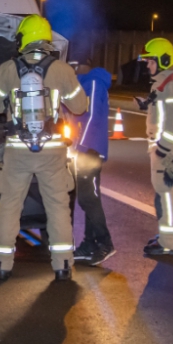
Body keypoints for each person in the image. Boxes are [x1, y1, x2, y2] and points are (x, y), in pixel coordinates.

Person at [0, 15, 88, 281]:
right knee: (58, 206)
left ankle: (1, 264)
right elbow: (80, 107)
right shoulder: (62, 70)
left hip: (17, 150)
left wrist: (8, 103)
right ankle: (63, 264)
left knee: (10, 205)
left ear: (24, 39)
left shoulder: (8, 68)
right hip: (52, 151)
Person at [135, 37, 173, 256]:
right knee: (164, 194)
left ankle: (169, 243)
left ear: (164, 60)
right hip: (164, 148)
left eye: (151, 61)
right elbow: (163, 109)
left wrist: (163, 149)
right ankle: (168, 236)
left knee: (166, 195)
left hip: (167, 150)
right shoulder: (167, 81)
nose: (148, 65)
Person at [69, 61, 116, 266]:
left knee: (89, 198)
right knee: (87, 198)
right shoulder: (85, 85)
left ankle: (105, 243)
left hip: (89, 150)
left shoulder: (94, 82)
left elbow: (93, 118)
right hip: (85, 149)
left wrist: (82, 145)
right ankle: (89, 245)